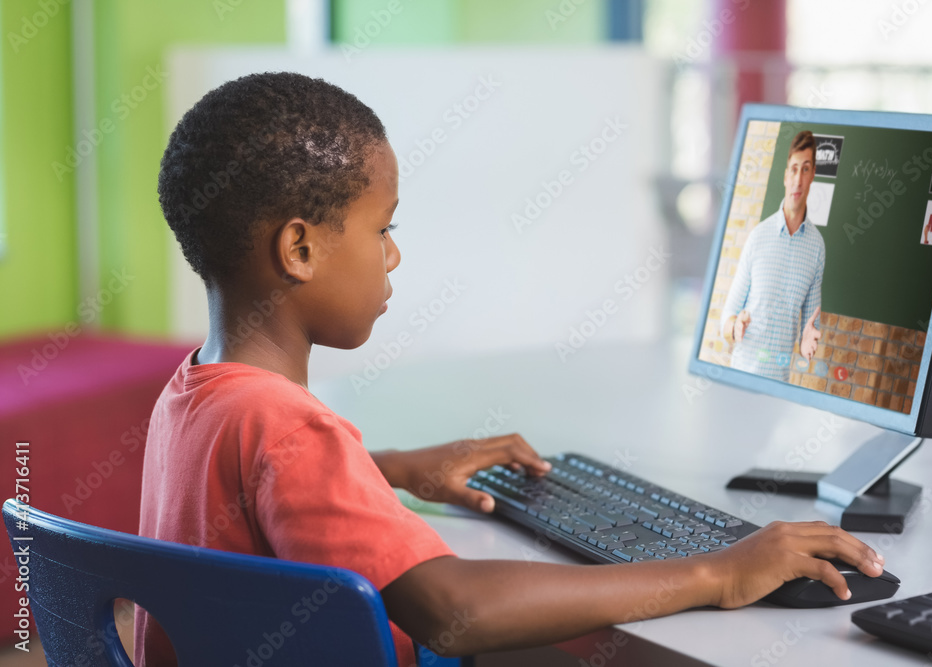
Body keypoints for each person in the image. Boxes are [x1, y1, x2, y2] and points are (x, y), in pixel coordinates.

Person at [137, 73, 885, 666]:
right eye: (383, 226)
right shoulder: (292, 425)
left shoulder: (192, 390)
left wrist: (388, 468)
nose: (394, 253)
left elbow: (253, 482)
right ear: (299, 249)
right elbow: (456, 610)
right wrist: (718, 571)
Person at [721, 130, 826, 381]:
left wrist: (806, 344)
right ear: (785, 176)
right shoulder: (758, 236)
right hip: (741, 378)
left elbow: (809, 328)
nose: (798, 179)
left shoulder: (817, 247)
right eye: (793, 169)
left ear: (812, 175)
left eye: (805, 169)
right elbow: (725, 321)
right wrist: (735, 328)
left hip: (778, 386)